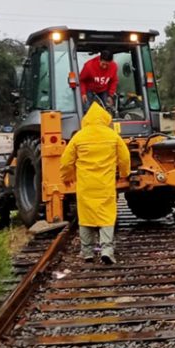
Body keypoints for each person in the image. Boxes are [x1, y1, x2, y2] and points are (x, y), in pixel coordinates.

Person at [60, 102, 131, 264]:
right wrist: (124, 173)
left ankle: (87, 253)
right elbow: (125, 157)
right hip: (105, 185)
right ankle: (106, 250)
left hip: (85, 186)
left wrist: (67, 176)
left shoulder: (79, 136)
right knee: (106, 217)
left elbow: (66, 161)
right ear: (104, 119)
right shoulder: (112, 136)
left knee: (85, 218)